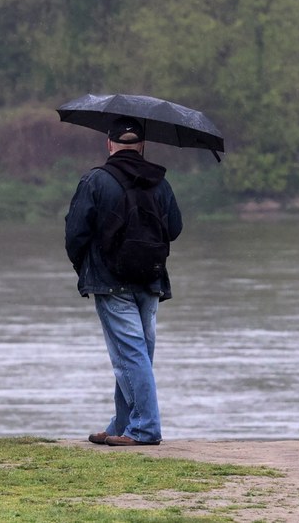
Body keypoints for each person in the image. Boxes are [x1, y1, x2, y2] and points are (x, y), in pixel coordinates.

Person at [63, 116, 183, 447]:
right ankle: (122, 424)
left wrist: (83, 268)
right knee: (137, 354)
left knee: (130, 356)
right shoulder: (161, 182)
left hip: (109, 281)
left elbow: (75, 232)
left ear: (110, 144)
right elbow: (174, 228)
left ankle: (145, 429)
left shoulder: (96, 181)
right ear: (142, 146)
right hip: (152, 280)